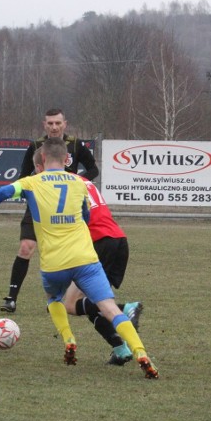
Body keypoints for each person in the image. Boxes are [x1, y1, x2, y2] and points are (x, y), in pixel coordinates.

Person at [0, 138, 158, 377]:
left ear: (41, 159)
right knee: (111, 309)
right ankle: (141, 354)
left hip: (54, 263)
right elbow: (85, 214)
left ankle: (69, 339)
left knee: (54, 298)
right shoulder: (79, 182)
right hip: (86, 259)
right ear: (67, 160)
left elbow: (2, 192)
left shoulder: (32, 182)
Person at [31, 148, 142, 367]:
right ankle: (120, 349)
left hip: (99, 243)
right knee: (93, 301)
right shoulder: (81, 182)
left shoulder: (57, 186)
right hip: (118, 240)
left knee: (69, 304)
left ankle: (125, 308)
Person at [2, 108, 99, 314]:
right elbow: (22, 175)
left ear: (65, 124)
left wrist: (77, 182)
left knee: (66, 253)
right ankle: (11, 298)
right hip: (39, 206)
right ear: (44, 125)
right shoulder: (36, 146)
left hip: (67, 210)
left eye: (58, 123)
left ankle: (57, 300)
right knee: (26, 247)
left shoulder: (75, 144)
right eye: (50, 123)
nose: (54, 127)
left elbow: (93, 169)